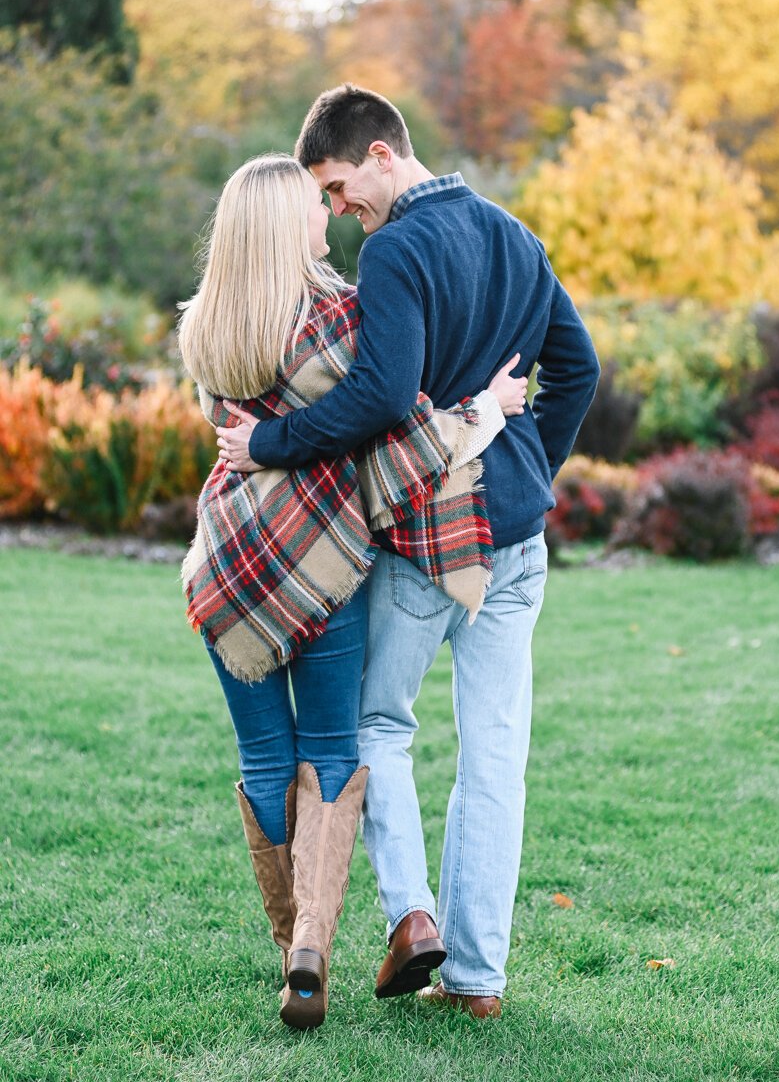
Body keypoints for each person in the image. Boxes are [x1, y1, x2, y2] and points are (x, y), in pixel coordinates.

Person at [217, 87, 601, 1019]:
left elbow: (385, 398)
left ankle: (411, 920)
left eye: (343, 187)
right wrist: (522, 468)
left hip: (430, 532)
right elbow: (578, 367)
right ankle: (477, 982)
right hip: (515, 538)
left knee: (378, 728)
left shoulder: (396, 250)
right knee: (495, 754)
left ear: (384, 156)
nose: (342, 211)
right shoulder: (516, 234)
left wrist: (266, 444)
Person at [178, 153, 527, 1030]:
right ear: (280, 224)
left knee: (264, 759)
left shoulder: (206, 327)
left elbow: (243, 435)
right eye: (310, 206)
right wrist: (484, 411)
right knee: (333, 749)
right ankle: (314, 951)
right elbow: (398, 435)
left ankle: (292, 947)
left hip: (228, 566)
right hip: (321, 566)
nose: (325, 218)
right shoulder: (337, 318)